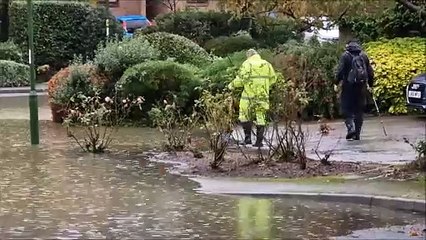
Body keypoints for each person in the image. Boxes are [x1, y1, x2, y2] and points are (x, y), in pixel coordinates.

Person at [228, 49, 277, 147]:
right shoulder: (266, 64)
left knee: (244, 115)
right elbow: (273, 78)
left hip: (248, 96)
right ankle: (259, 142)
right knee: (261, 116)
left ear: (248, 56)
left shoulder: (247, 64)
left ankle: (247, 139)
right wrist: (265, 86)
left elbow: (240, 80)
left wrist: (231, 85)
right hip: (262, 95)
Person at [335, 39, 374, 141]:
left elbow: (340, 71)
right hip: (361, 87)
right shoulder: (364, 56)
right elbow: (370, 72)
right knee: (359, 110)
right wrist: (370, 84)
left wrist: (336, 82)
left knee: (346, 108)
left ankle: (350, 128)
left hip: (348, 87)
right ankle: (357, 134)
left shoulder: (345, 56)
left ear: (348, 46)